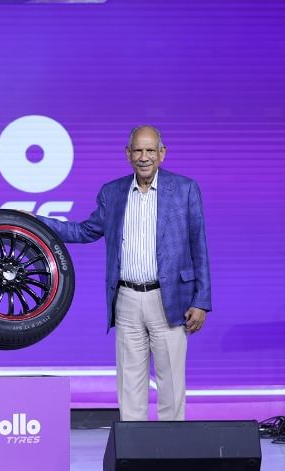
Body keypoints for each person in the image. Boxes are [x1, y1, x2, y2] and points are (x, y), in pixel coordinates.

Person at [38, 125, 211, 421]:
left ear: (162, 153)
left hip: (170, 299)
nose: (144, 157)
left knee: (171, 385)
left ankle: (173, 446)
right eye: (138, 150)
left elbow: (199, 245)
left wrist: (201, 300)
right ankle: (135, 446)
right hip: (126, 299)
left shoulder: (185, 189)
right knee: (129, 385)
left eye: (150, 150)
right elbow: (84, 231)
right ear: (128, 154)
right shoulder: (113, 192)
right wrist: (37, 221)